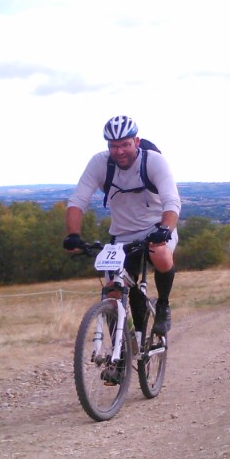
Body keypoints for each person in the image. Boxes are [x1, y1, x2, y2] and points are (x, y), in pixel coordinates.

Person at [64, 115, 181, 336]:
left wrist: (165, 229)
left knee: (160, 254)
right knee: (113, 293)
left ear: (136, 141)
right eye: (113, 146)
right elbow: (78, 201)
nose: (119, 151)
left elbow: (172, 201)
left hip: (156, 229)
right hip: (122, 235)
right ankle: (122, 350)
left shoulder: (153, 161)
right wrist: (73, 234)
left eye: (125, 144)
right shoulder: (99, 163)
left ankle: (163, 305)